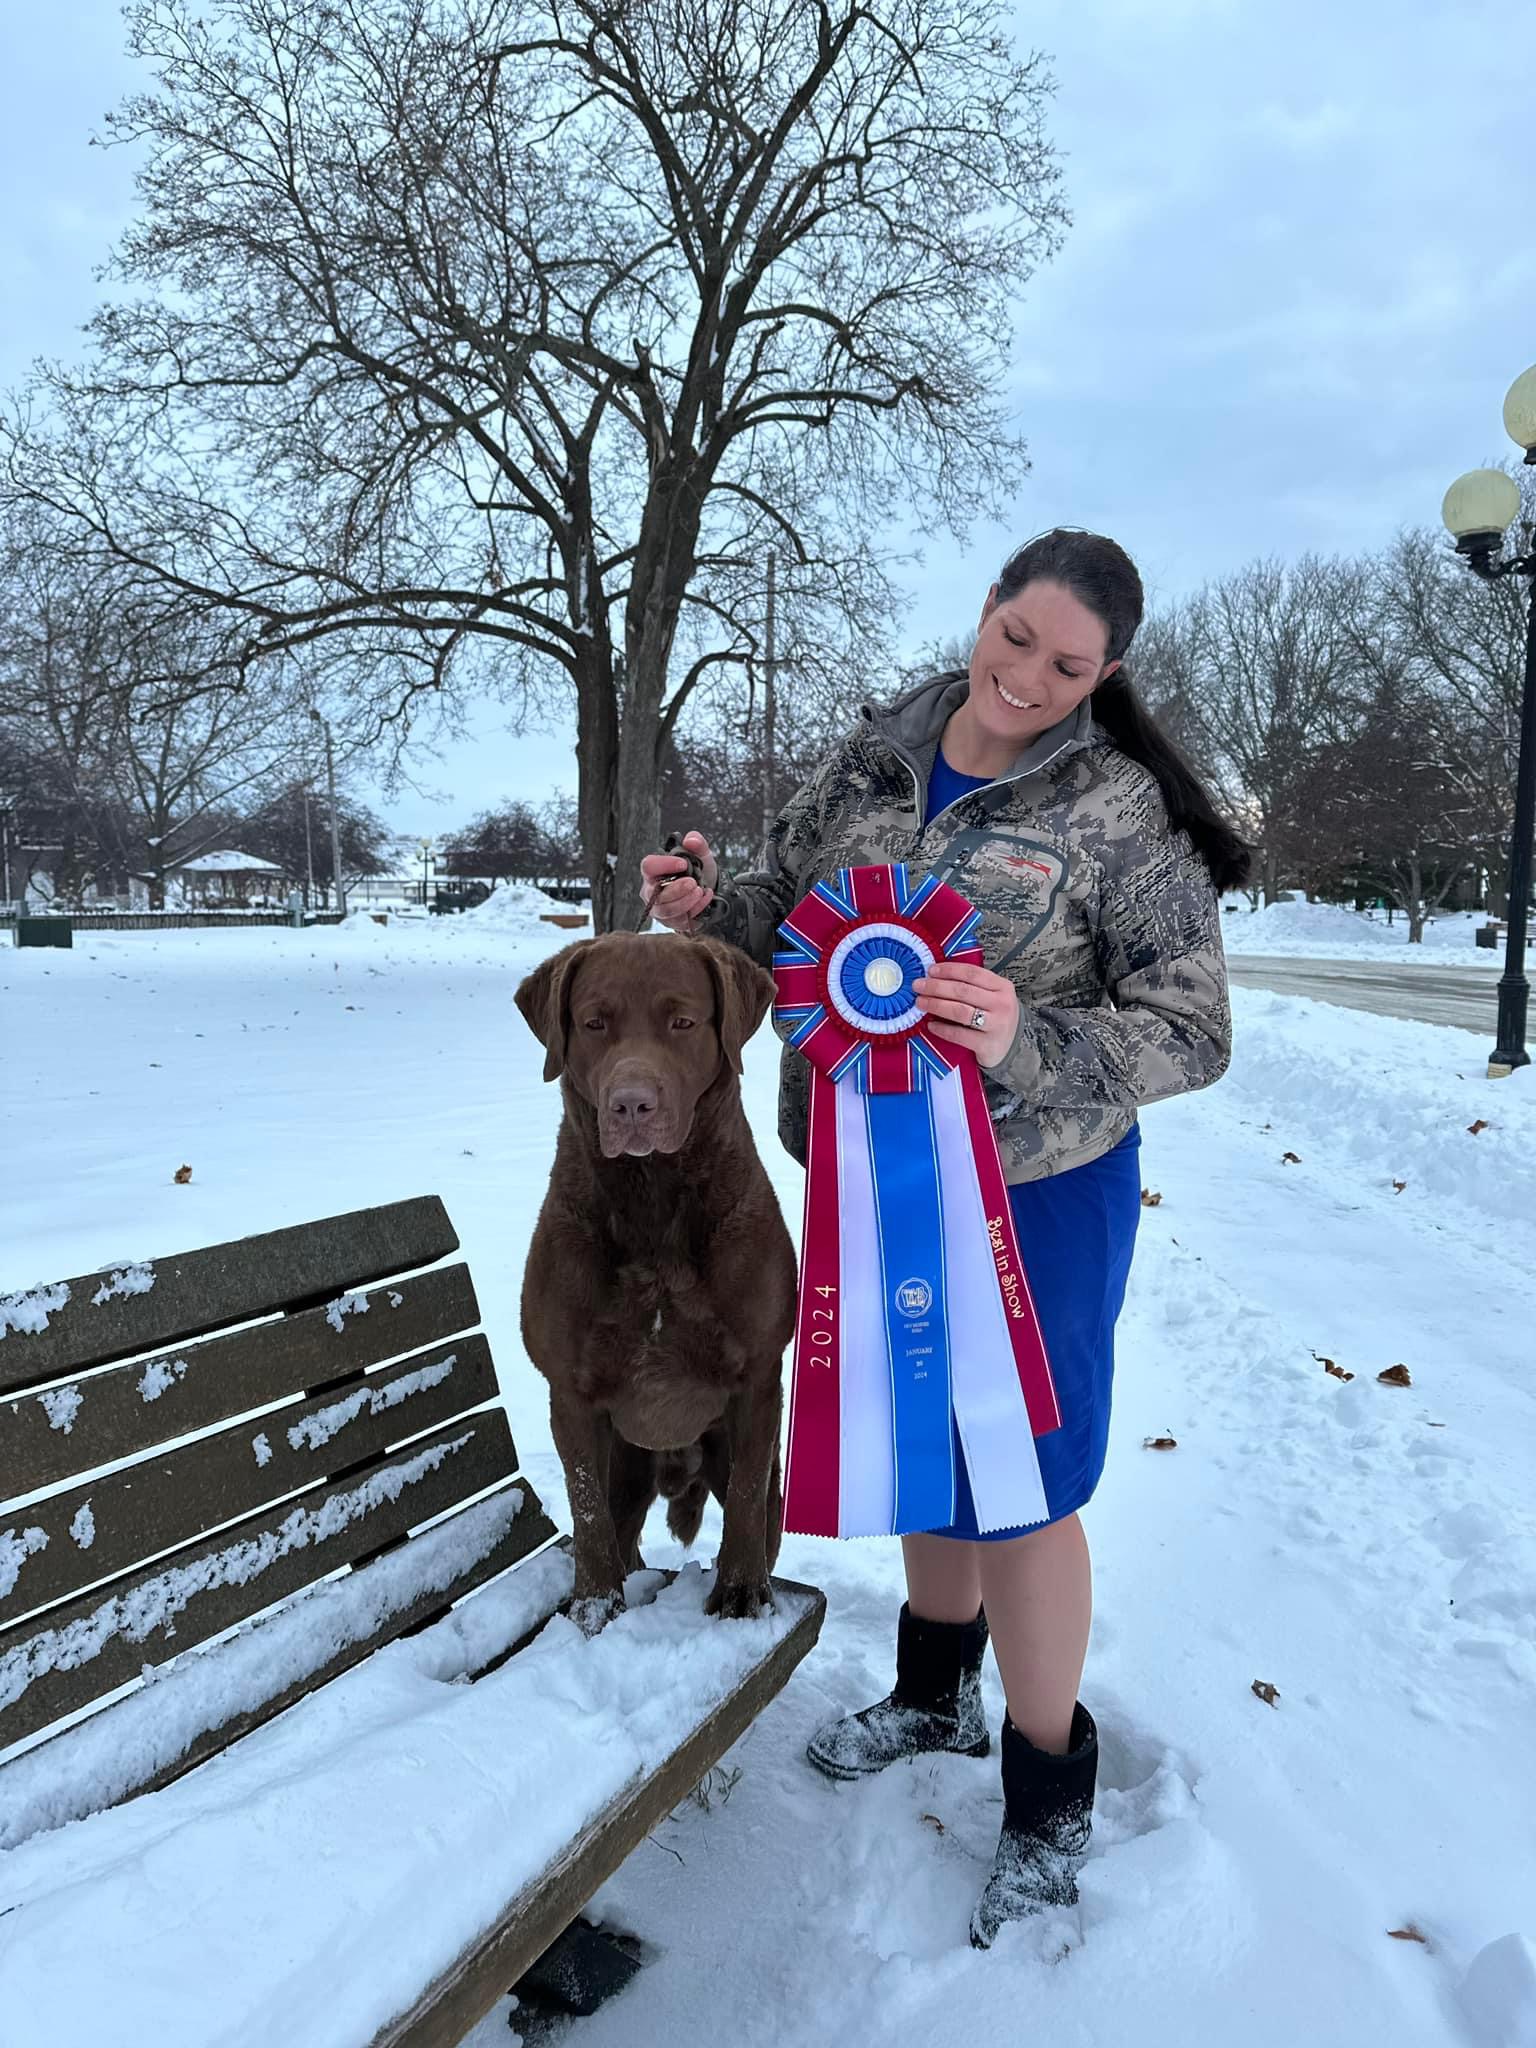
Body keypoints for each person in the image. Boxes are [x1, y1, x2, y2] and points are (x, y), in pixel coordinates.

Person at [641, 528, 1249, 1949]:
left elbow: (1194, 1031)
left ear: (1108, 676)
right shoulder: (870, 759)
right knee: (919, 1427)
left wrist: (1029, 1036)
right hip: (870, 1171)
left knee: (1022, 1476)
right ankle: (934, 1692)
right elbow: (781, 913)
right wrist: (700, 907)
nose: (1030, 675)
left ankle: (1047, 1799)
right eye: (1018, 636)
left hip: (1039, 1190)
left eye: (1070, 663)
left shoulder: (1124, 815)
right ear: (987, 609)